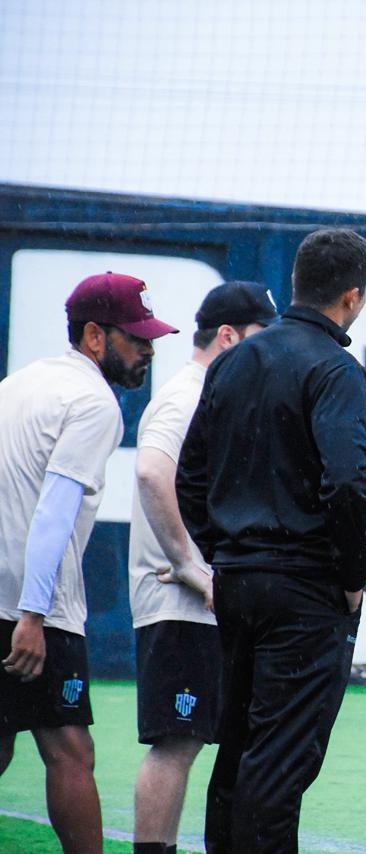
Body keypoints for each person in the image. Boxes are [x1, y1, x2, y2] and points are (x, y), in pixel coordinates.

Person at [177, 228, 366, 853]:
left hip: (238, 582)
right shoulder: (337, 369)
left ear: (297, 282)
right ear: (353, 297)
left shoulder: (233, 361)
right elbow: (347, 481)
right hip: (304, 588)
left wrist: (225, 554)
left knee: (237, 745)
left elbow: (191, 476)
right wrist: (351, 574)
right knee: (280, 759)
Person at [0, 272, 177, 853]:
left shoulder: (20, 382)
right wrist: (33, 612)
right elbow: (54, 509)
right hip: (31, 605)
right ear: (96, 336)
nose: (149, 347)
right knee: (71, 752)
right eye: (138, 336)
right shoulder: (94, 403)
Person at [129, 281, 277, 854]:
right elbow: (149, 472)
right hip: (179, 602)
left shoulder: (209, 390)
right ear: (228, 335)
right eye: (260, 338)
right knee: (176, 741)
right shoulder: (188, 393)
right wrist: (190, 564)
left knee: (192, 739)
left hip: (201, 601)